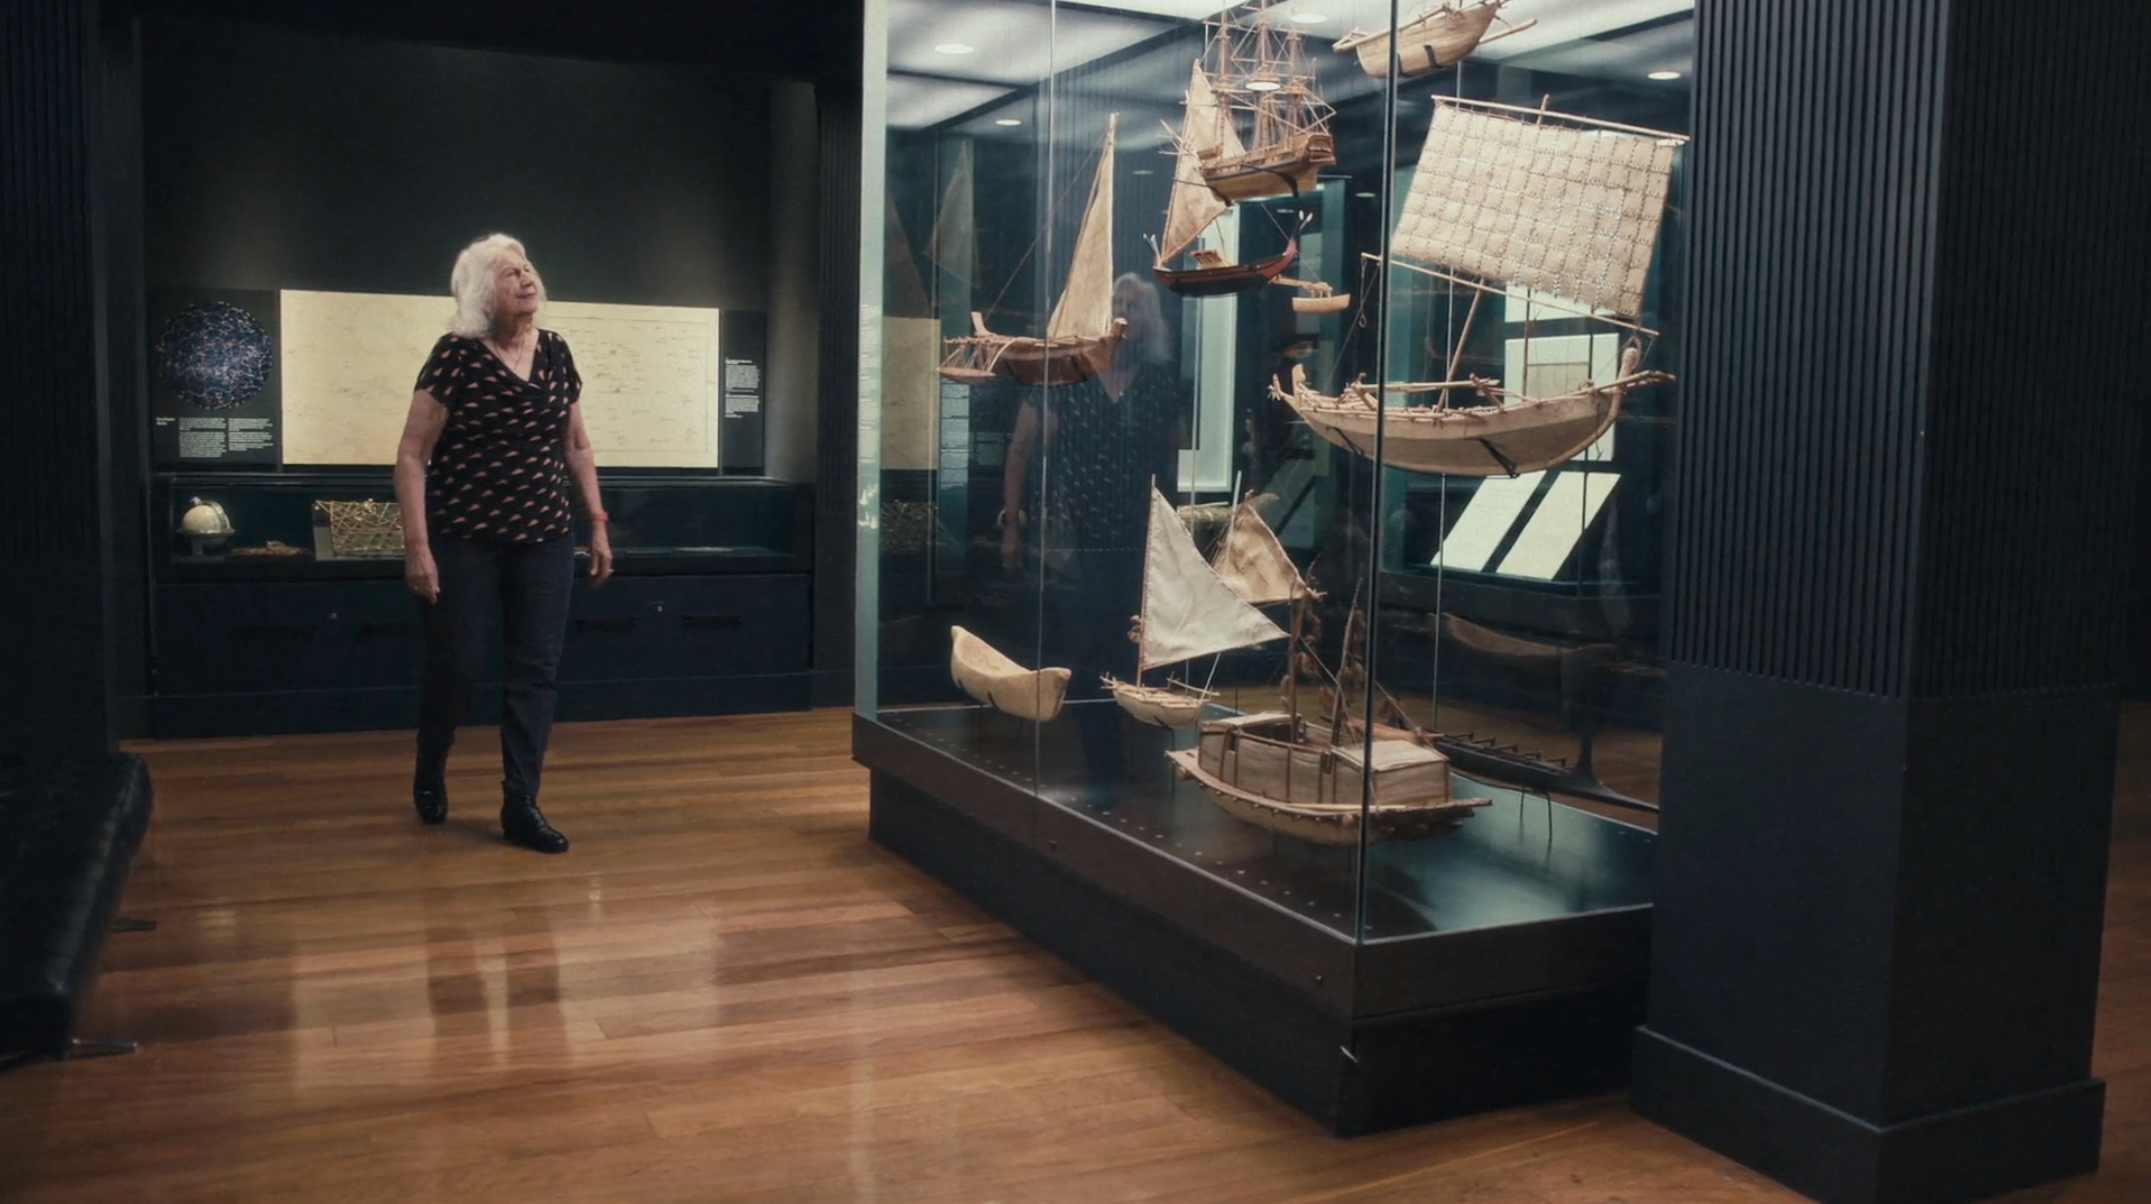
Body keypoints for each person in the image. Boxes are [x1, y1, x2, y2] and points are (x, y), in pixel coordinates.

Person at [391, 233, 612, 853]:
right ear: (483, 293)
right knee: (457, 667)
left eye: (527, 266)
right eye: (509, 272)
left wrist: (595, 522)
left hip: (543, 536)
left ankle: (522, 802)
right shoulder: (455, 355)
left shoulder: (557, 353)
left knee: (535, 674)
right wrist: (418, 545)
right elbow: (412, 456)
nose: (525, 277)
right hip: (465, 537)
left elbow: (576, 444)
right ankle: (431, 763)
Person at [1000, 274, 1187, 775]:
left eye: (1136, 307)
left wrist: (1170, 538)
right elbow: (1020, 450)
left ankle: (1136, 752)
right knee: (1085, 648)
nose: (1125, 315)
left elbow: (1170, 465)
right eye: (1117, 304)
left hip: (1135, 539)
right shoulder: (1067, 379)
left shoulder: (1160, 386)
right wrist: (1012, 525)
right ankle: (1100, 757)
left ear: (1151, 323)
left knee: (1131, 643)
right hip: (1074, 539)